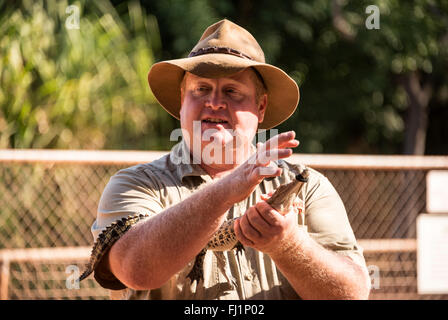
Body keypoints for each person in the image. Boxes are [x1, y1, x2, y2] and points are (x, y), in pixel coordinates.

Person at [89, 19, 371, 300]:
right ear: (182, 101)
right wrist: (228, 188)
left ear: (260, 107)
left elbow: (353, 294)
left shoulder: (307, 187)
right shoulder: (137, 184)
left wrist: (288, 245)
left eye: (232, 91)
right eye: (200, 89)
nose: (214, 102)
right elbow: (135, 271)